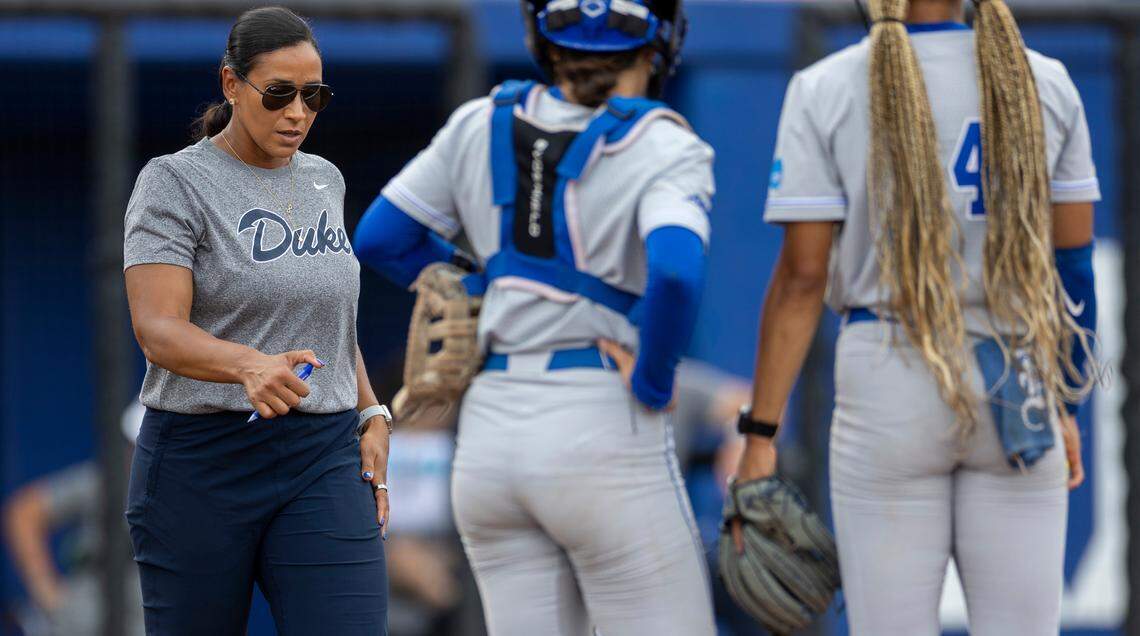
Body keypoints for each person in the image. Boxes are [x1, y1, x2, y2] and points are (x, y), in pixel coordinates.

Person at [732, 0, 1100, 633]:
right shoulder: (1047, 80)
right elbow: (1074, 267)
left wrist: (760, 435)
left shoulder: (825, 85)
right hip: (1015, 373)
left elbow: (802, 278)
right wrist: (1064, 402)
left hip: (888, 369)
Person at [353, 1, 718, 633]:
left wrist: (483, 281)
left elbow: (381, 238)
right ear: (659, 41)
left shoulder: (480, 120)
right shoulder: (662, 140)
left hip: (490, 435)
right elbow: (678, 271)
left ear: (543, 37)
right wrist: (654, 380)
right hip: (598, 419)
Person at [121, 7, 390, 635]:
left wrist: (370, 410)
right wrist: (247, 365)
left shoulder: (325, 178)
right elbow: (157, 330)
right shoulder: (174, 182)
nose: (298, 113)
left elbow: (331, 320)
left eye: (315, 96)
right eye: (279, 94)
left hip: (320, 451)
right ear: (231, 85)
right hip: (201, 459)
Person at [3, 403, 146, 636]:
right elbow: (24, 512)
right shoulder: (106, 480)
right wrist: (50, 597)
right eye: (135, 444)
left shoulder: (192, 496)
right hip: (89, 620)